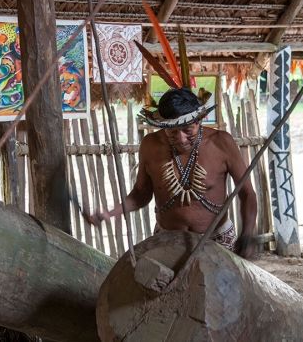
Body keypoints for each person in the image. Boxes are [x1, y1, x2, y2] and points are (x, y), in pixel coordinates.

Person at [86, 87, 258, 258]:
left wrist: (248, 233)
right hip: (167, 239)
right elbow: (141, 194)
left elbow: (247, 193)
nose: (181, 138)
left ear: (199, 120)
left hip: (216, 239)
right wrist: (109, 213)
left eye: (187, 129)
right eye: (172, 131)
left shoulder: (221, 143)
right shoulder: (151, 145)